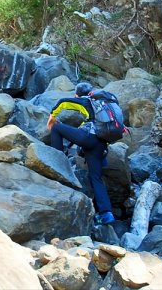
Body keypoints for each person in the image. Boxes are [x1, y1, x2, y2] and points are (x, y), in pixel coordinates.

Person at [47, 82, 115, 225]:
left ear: (77, 95)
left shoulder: (87, 101)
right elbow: (87, 128)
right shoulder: (103, 107)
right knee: (95, 177)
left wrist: (52, 117)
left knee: (56, 128)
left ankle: (57, 166)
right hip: (101, 145)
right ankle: (106, 214)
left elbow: (63, 102)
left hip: (89, 139)